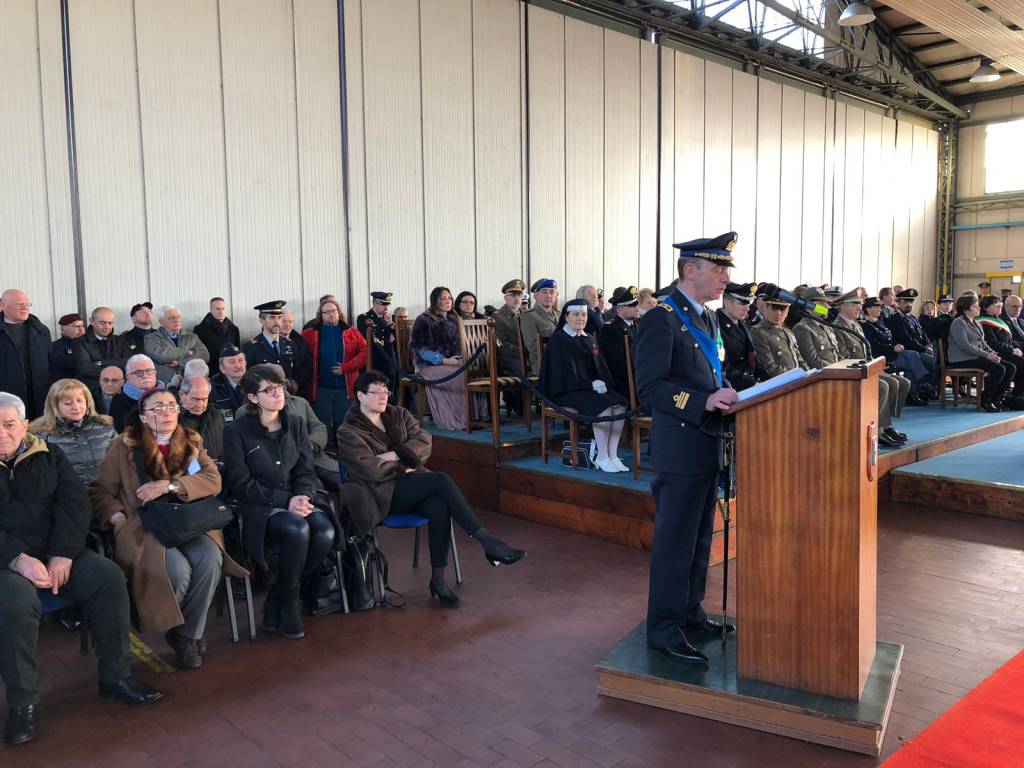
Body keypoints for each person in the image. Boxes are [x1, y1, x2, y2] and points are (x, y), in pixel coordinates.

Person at [0, 392, 161, 747]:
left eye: (9, 425)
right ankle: (23, 702)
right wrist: (16, 557)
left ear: (24, 426)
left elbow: (75, 505)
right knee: (15, 601)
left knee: (107, 577)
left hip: (57, 553)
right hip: (6, 564)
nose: (2, 433)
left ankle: (115, 676)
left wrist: (62, 554)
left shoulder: (48, 454)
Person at [635, 231, 739, 665]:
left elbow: (708, 369)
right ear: (690, 270)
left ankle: (690, 611)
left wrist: (724, 391)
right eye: (719, 269)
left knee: (699, 539)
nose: (726, 278)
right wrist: (702, 402)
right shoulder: (661, 319)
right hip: (680, 448)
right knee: (675, 543)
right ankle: (663, 628)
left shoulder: (707, 318)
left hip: (707, 443)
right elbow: (650, 387)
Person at [336, 371, 525, 608]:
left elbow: (425, 442)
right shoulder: (348, 431)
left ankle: (438, 580)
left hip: (410, 483)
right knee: (441, 481)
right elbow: (369, 468)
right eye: (377, 392)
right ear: (361, 396)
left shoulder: (399, 415)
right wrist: (405, 462)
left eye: (386, 391)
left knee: (439, 505)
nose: (384, 397)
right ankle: (487, 541)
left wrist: (396, 454)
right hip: (379, 494)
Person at [89, 387, 245, 669]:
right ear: (144, 417)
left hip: (189, 522)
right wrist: (117, 519)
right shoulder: (123, 446)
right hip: (144, 527)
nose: (166, 413)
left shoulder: (191, 440)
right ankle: (174, 625)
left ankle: (185, 635)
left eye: (171, 406)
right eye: (157, 408)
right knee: (178, 570)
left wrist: (171, 485)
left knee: (211, 560)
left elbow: (213, 480)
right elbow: (100, 491)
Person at [222, 364, 337, 639]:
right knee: (297, 529)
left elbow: (306, 470)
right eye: (269, 390)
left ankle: (282, 593)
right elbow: (241, 483)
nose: (278, 394)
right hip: (260, 505)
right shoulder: (237, 431)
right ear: (252, 397)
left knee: (325, 530)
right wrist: (287, 501)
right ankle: (287, 603)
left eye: (281, 387)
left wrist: (303, 495)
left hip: (297, 497)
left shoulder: (295, 423)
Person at [540, 300, 629, 473]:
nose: (581, 318)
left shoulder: (587, 338)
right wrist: (591, 384)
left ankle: (612, 454)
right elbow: (563, 374)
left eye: (584, 315)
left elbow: (599, 366)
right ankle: (602, 456)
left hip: (587, 388)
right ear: (566, 317)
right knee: (603, 407)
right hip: (565, 390)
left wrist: (601, 381)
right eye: (576, 315)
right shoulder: (560, 340)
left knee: (620, 403)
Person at [833, 293, 910, 446]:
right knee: (884, 385)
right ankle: (880, 430)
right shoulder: (838, 327)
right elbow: (844, 357)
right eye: (854, 304)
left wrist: (876, 367)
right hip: (854, 372)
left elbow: (866, 353)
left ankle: (887, 425)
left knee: (903, 382)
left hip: (865, 367)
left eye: (859, 304)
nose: (859, 307)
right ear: (842, 306)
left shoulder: (855, 325)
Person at [411, 286, 488, 431]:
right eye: (443, 298)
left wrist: (461, 358)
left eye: (450, 298)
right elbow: (421, 349)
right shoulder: (424, 319)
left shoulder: (454, 318)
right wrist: (444, 360)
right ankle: (456, 420)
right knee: (458, 373)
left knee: (472, 368)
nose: (448, 301)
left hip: (452, 361)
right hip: (430, 364)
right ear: (435, 301)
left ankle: (475, 417)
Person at [300, 297, 367, 449]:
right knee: (321, 423)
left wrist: (346, 367)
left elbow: (365, 352)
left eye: (334, 311)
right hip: (321, 387)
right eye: (327, 312)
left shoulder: (352, 332)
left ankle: (345, 455)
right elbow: (298, 350)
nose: (331, 314)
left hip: (346, 387)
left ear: (339, 312)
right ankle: (325, 453)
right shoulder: (310, 333)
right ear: (321, 315)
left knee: (344, 424)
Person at [29, 379, 117, 484]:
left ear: (87, 402)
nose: (76, 407)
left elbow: (121, 464)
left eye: (80, 401)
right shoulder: (41, 435)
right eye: (68, 403)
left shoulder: (106, 427)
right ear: (54, 406)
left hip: (108, 493)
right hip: (69, 496)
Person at [947, 295, 1014, 412]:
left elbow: (983, 343)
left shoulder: (976, 323)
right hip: (961, 359)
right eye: (975, 306)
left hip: (975, 356)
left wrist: (992, 353)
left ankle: (995, 399)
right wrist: (987, 355)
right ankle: (985, 400)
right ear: (966, 309)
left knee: (1010, 367)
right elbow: (965, 345)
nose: (978, 307)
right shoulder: (959, 322)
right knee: (999, 369)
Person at [0, 289, 52, 420]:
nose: (25, 308)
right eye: (19, 304)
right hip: (7, 398)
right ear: (2, 306)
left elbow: (51, 363)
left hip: (39, 397)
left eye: (27, 304)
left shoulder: (41, 331)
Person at [886, 288, 938, 399]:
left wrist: (928, 344)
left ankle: (916, 392)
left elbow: (924, 335)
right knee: (923, 361)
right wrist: (923, 349)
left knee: (936, 363)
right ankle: (922, 387)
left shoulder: (913, 318)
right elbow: (905, 340)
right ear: (898, 303)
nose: (909, 304)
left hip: (917, 351)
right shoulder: (895, 319)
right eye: (905, 302)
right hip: (904, 351)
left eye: (911, 301)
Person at [976, 295, 1024, 406]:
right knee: (1017, 365)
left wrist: (1015, 349)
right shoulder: (984, 321)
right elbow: (993, 343)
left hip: (1005, 351)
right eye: (996, 305)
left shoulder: (996, 319)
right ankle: (1001, 397)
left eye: (999, 305)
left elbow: (1008, 340)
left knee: (1017, 364)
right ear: (986, 307)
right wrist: (1012, 350)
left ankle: (1005, 397)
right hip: (996, 353)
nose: (999, 307)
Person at [144, 305, 209, 386]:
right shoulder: (151, 338)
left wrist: (180, 363)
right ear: (161, 322)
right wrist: (186, 352)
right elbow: (161, 356)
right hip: (167, 383)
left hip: (193, 382)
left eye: (178, 317)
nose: (176, 320)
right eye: (171, 318)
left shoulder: (192, 337)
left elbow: (204, 355)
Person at [242, 301, 298, 392]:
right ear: (262, 321)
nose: (277, 322)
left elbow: (296, 372)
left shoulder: (290, 344)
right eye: (272, 318)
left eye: (279, 317)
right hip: (265, 398)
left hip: (288, 396)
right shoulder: (251, 347)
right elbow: (249, 377)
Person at [598, 286, 641, 400]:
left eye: (637, 304)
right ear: (620, 310)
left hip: (639, 379)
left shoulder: (637, 327)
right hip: (624, 384)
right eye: (632, 305)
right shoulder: (611, 329)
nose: (637, 308)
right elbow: (616, 365)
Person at [77, 307, 129, 401]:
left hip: (121, 391)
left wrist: (102, 362)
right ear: (91, 321)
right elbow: (85, 368)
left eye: (110, 323)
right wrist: (115, 374)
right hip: (93, 392)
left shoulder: (120, 341)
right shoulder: (80, 342)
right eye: (102, 322)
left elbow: (128, 363)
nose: (107, 326)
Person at [749, 297, 808, 378]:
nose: (778, 313)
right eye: (774, 309)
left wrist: (808, 373)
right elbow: (770, 366)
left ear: (787, 312)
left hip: (796, 380)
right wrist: (795, 376)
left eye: (782, 309)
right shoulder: (758, 332)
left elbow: (799, 359)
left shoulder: (788, 331)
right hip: (780, 383)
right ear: (765, 308)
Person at [716, 282, 759, 390]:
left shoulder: (742, 323)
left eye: (748, 303)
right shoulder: (715, 325)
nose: (747, 308)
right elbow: (722, 367)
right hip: (732, 387)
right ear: (727, 302)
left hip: (749, 383)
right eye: (742, 303)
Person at [357, 292, 400, 397]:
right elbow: (371, 340)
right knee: (376, 395)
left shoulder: (392, 318)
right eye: (384, 304)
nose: (386, 307)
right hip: (375, 361)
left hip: (390, 360)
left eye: (387, 304)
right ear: (375, 303)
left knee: (391, 394)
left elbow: (397, 339)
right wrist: (386, 330)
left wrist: (390, 324)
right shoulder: (364, 318)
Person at [109, 354, 162, 432]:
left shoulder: (169, 396)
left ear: (155, 373)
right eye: (138, 372)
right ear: (127, 377)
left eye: (149, 371)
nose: (145, 376)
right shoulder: (119, 401)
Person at [178, 376, 226, 460]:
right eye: (195, 399)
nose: (200, 405)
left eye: (204, 399)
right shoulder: (173, 420)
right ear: (181, 395)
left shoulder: (217, 416)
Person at [520, 278, 559, 373]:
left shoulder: (560, 315)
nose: (549, 295)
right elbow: (533, 347)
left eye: (552, 292)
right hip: (543, 364)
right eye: (544, 292)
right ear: (535, 296)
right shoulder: (529, 316)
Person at [192, 297, 241, 362]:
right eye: (217, 309)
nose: (221, 311)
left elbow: (237, 351)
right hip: (210, 368)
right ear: (211, 310)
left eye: (223, 308)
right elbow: (197, 353)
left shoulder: (234, 329)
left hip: (230, 368)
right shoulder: (200, 329)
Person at [280, 310, 313, 397]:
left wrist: (296, 382)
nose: (287, 324)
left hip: (297, 391)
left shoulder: (300, 340)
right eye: (284, 321)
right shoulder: (265, 341)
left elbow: (307, 364)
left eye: (290, 321)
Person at [211, 344, 247, 420]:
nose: (238, 365)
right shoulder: (213, 387)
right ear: (221, 367)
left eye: (240, 360)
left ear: (246, 363)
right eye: (232, 362)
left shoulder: (256, 382)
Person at [49, 313, 86, 380]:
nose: (81, 329)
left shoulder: (91, 344)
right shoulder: (56, 347)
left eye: (82, 326)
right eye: (77, 326)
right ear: (63, 329)